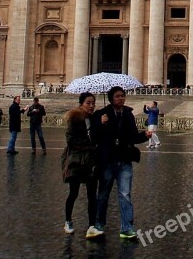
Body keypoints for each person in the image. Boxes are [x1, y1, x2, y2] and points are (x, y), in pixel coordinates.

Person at [92, 86, 151, 239]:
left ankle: (127, 228)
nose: (121, 98)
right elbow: (94, 136)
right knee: (103, 194)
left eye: (123, 95)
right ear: (111, 99)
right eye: (118, 96)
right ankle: (99, 224)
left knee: (125, 194)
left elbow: (132, 137)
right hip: (107, 160)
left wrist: (144, 135)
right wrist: (101, 123)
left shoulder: (129, 115)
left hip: (124, 160)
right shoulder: (101, 115)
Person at [62, 92, 100, 237]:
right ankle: (68, 221)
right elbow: (70, 140)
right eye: (88, 103)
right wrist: (89, 145)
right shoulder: (74, 119)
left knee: (92, 194)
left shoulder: (95, 119)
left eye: (93, 103)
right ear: (81, 104)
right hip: (77, 161)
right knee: (73, 193)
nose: (91, 106)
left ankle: (91, 225)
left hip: (90, 161)